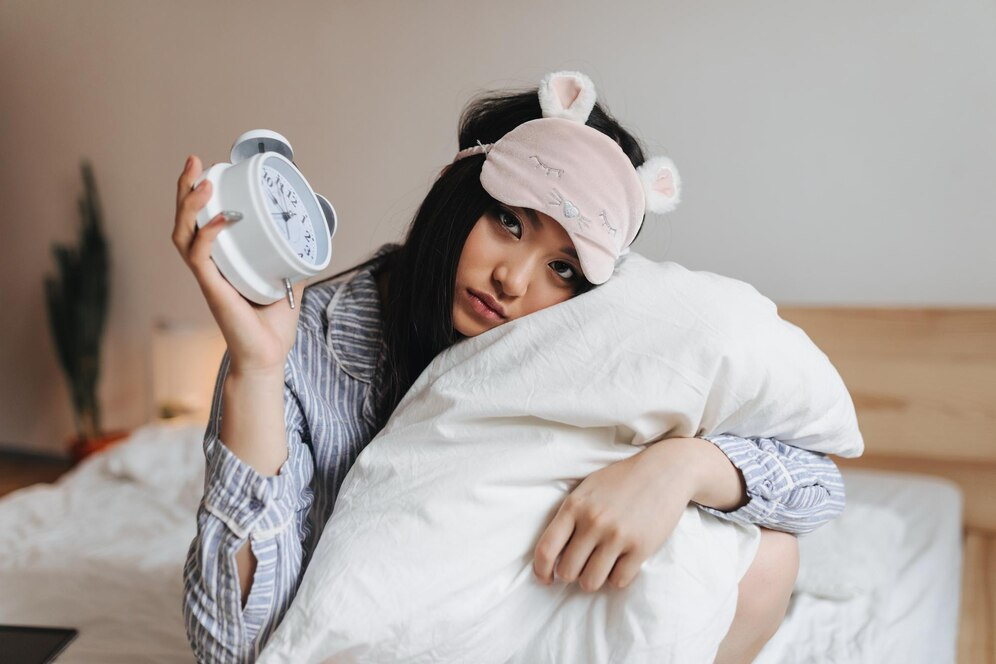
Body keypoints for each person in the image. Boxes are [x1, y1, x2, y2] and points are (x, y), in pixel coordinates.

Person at [176, 71, 844, 664]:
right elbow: (235, 649)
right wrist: (257, 372)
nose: (513, 280)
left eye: (563, 269)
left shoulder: (591, 336)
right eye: (508, 221)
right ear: (455, 190)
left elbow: (818, 489)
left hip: (528, 620)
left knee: (768, 556)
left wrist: (680, 468)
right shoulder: (303, 347)